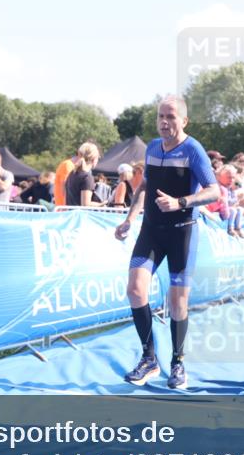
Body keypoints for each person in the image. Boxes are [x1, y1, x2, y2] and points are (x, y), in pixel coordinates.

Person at [114, 96, 220, 389]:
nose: (164, 122)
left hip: (182, 231)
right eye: (161, 116)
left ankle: (177, 362)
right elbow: (145, 187)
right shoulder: (151, 147)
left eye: (171, 117)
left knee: (177, 302)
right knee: (135, 290)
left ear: (184, 120)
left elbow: (214, 192)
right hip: (151, 229)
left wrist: (181, 202)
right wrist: (130, 219)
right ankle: (149, 359)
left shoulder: (193, 150)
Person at [65, 142, 102, 207]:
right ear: (94, 159)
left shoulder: (72, 173)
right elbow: (85, 205)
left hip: (71, 214)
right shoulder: (87, 177)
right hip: (81, 216)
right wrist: (101, 204)